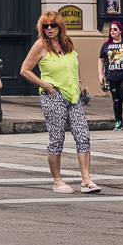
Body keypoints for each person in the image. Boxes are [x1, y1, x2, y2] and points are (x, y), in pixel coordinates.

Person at [20, 10, 101, 193]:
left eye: (53, 25)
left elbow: (74, 65)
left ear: (60, 26)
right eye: (45, 26)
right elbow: (25, 70)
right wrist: (45, 85)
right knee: (57, 138)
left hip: (74, 96)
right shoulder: (40, 45)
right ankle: (57, 181)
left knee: (83, 136)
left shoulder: (67, 43)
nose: (49, 29)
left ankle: (86, 180)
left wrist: (80, 84)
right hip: (53, 96)